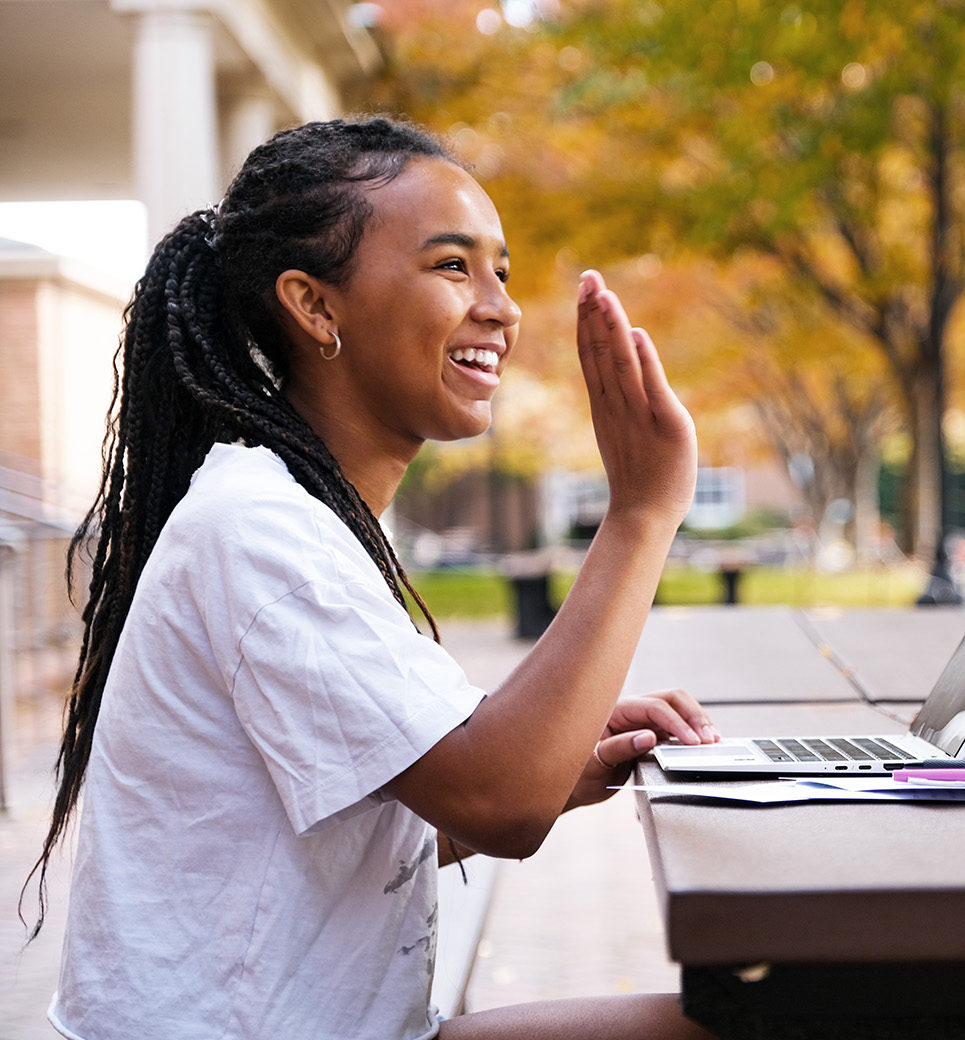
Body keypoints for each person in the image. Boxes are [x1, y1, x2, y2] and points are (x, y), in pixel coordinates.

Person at [23, 117, 721, 1040]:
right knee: (767, 1019)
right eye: (451, 266)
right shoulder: (259, 531)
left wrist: (560, 761)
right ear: (315, 307)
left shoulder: (302, 515)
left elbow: (354, 832)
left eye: (500, 272)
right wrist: (641, 513)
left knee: (760, 1012)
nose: (501, 310)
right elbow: (499, 803)